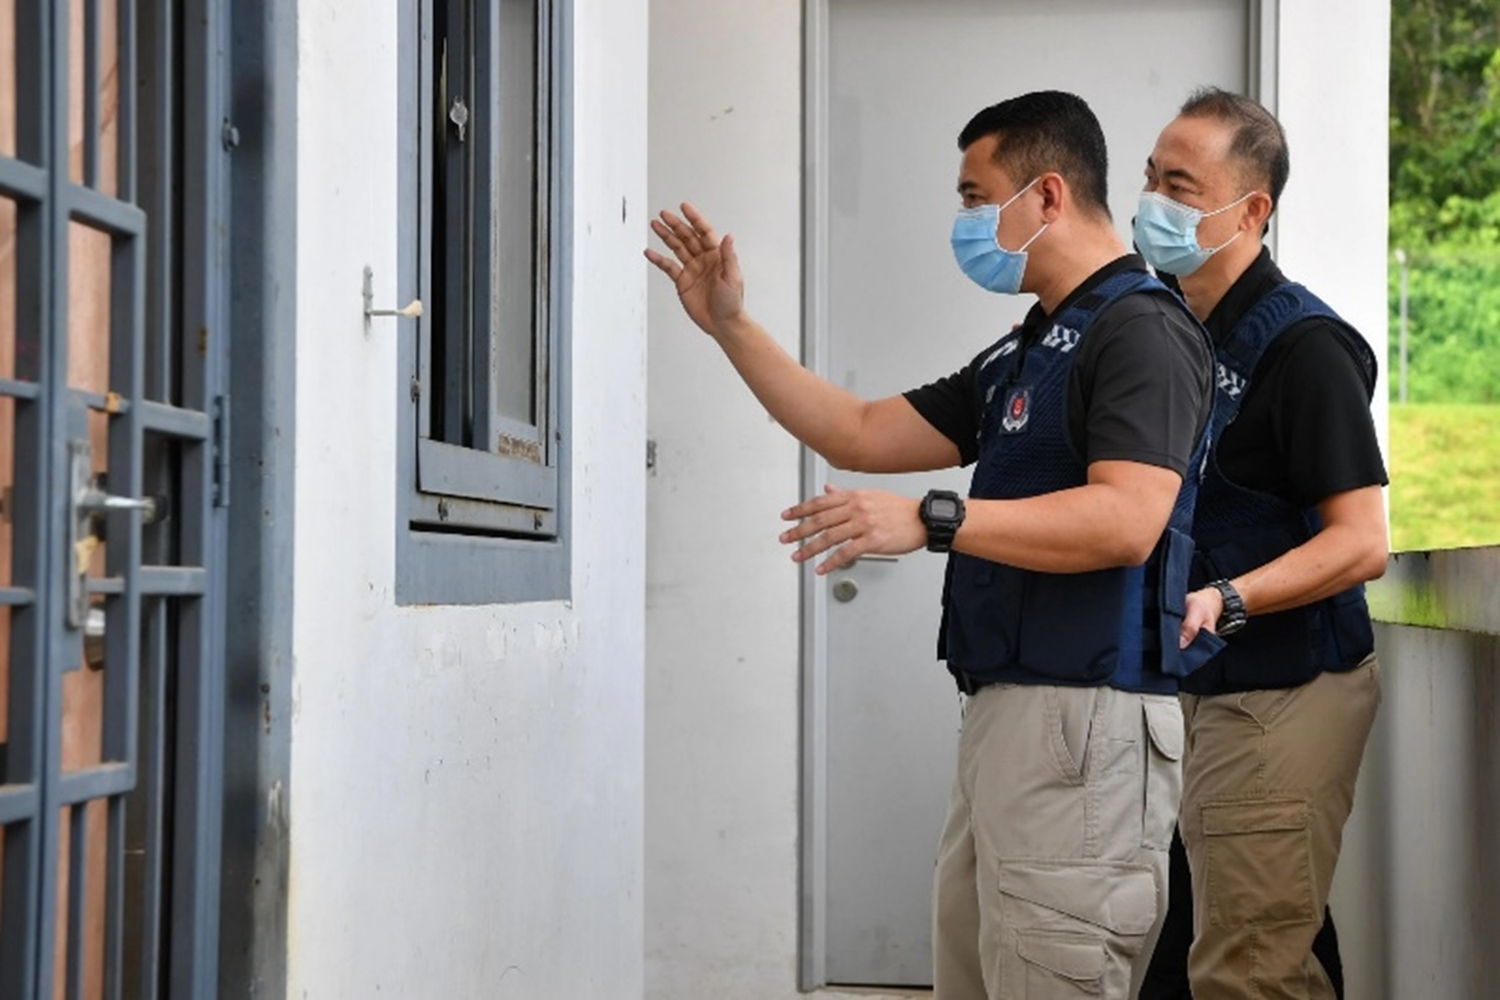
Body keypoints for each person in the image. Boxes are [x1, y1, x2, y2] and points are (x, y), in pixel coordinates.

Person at [647, 90, 1219, 999]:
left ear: (1048, 196)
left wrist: (934, 520)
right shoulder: (1032, 347)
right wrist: (729, 325)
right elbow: (862, 431)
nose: (964, 221)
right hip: (1009, 718)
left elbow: (1126, 520)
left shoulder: (1141, 331)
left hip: (1086, 725)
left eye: (974, 196)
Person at [1131, 88, 1388, 999]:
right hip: (1204, 693)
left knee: (1250, 971)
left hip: (1284, 692)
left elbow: (1361, 543)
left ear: (1251, 210)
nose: (1154, 201)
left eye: (1181, 184)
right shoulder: (1177, 328)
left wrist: (1231, 598)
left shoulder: (1304, 350)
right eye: (1152, 176)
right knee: (1211, 950)